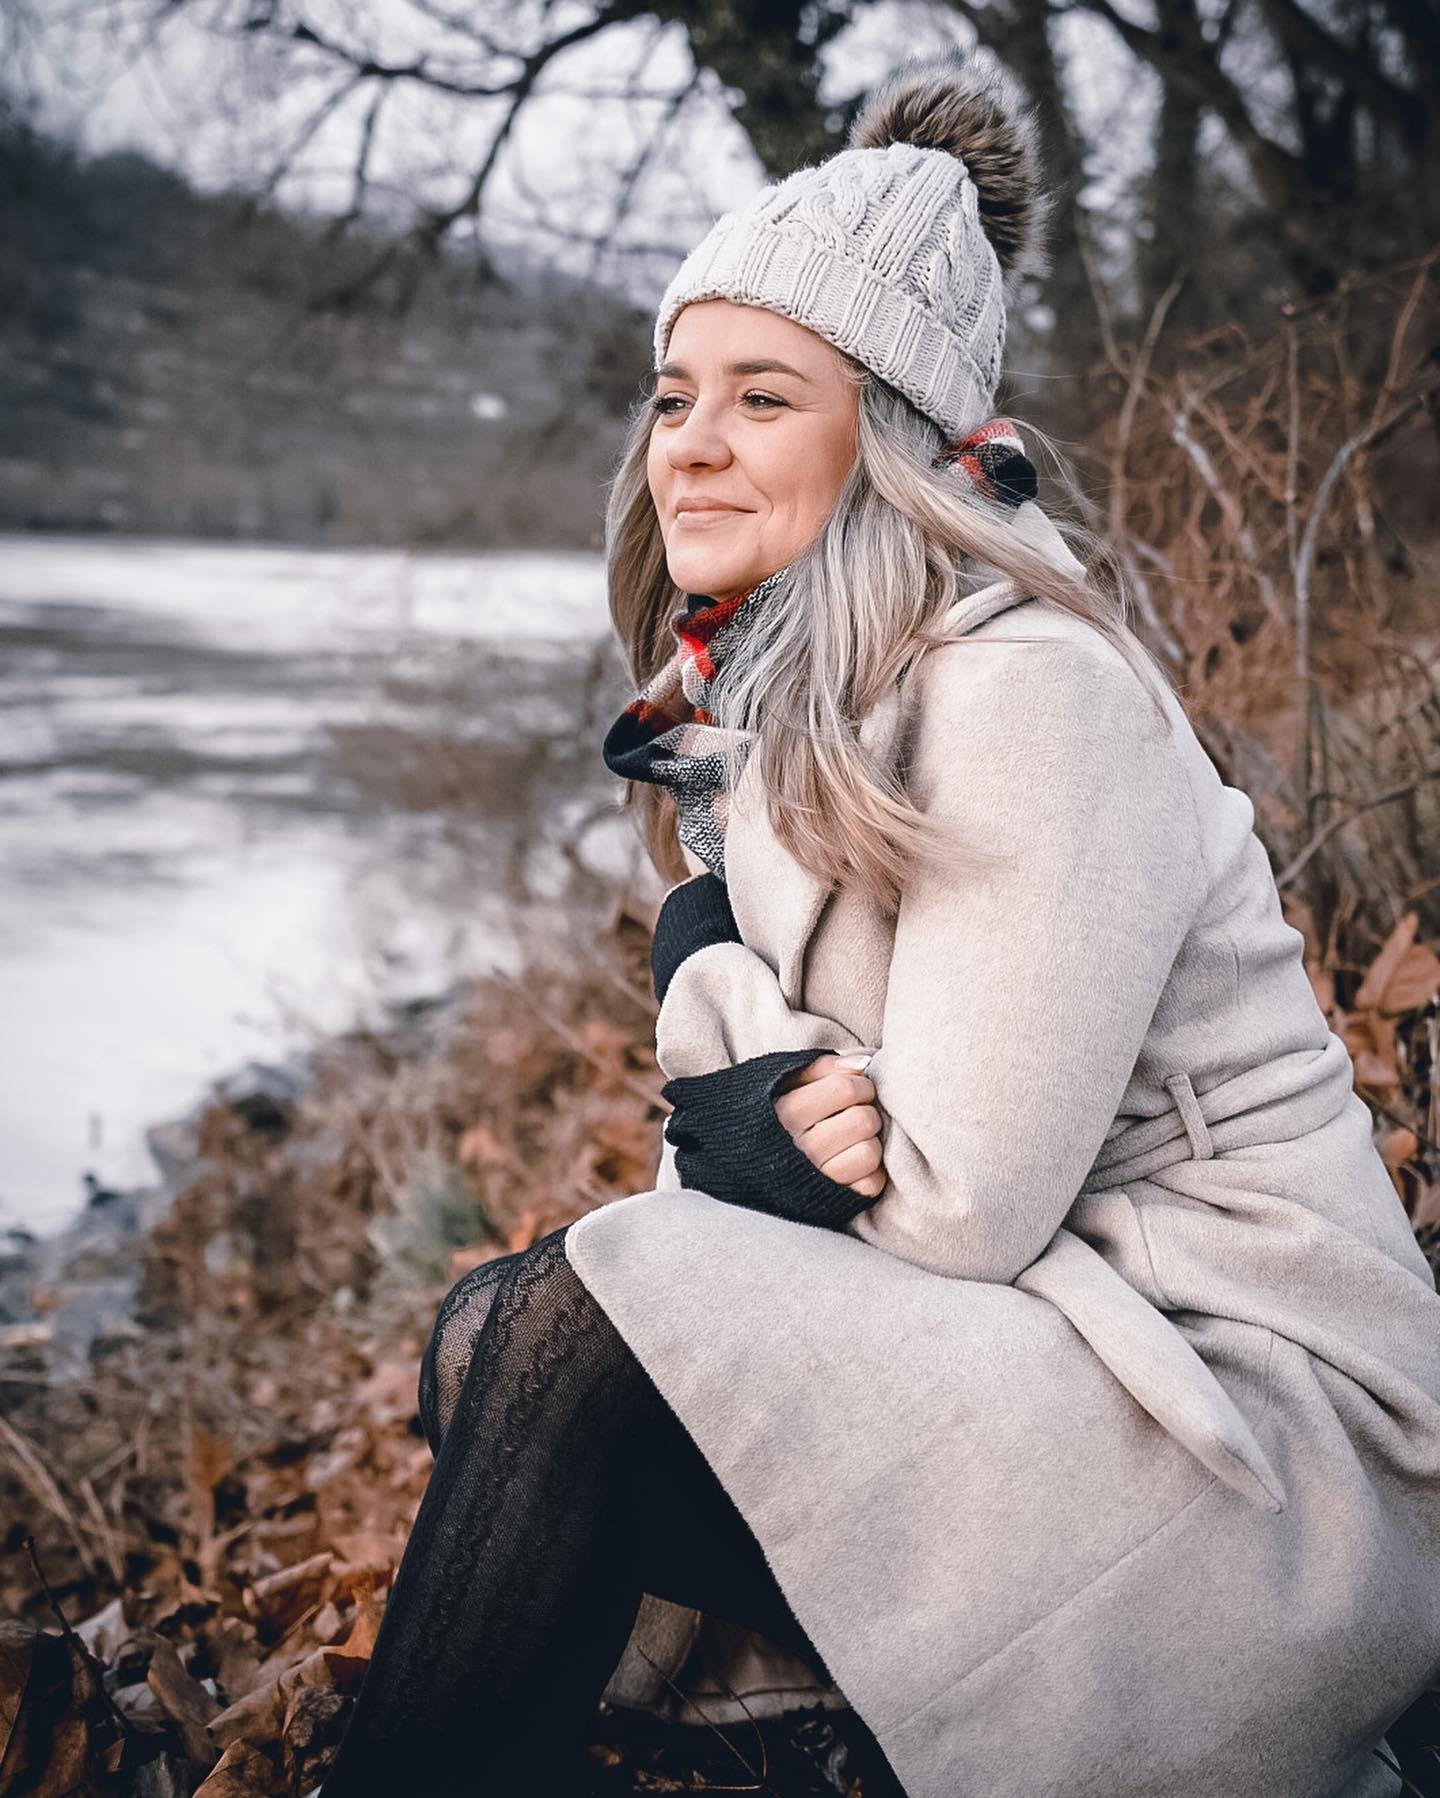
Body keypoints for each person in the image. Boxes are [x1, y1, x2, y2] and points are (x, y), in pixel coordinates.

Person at [321, 49, 1440, 1798]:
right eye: (674, 393)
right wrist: (747, 1073)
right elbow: (778, 1166)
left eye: (764, 396)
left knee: (577, 1327)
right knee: (491, 1340)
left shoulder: (1029, 693)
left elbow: (953, 1200)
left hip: (1254, 1427)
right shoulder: (801, 711)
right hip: (1078, 1343)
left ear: (894, 438)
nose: (692, 442)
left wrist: (722, 1011)